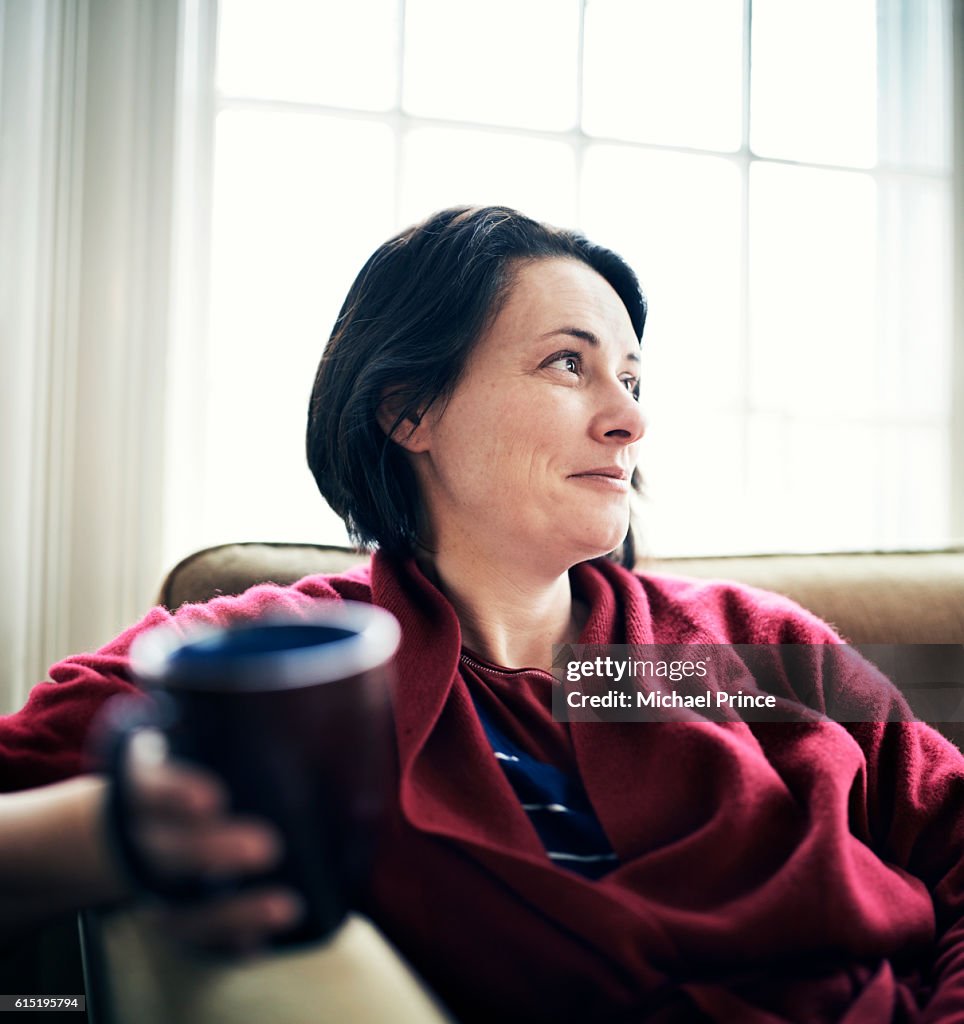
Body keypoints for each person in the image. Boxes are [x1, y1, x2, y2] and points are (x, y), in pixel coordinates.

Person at [2, 205, 964, 1022]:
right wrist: (114, 833)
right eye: (565, 363)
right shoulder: (278, 657)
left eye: (632, 379)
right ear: (408, 410)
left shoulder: (755, 644)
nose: (630, 419)